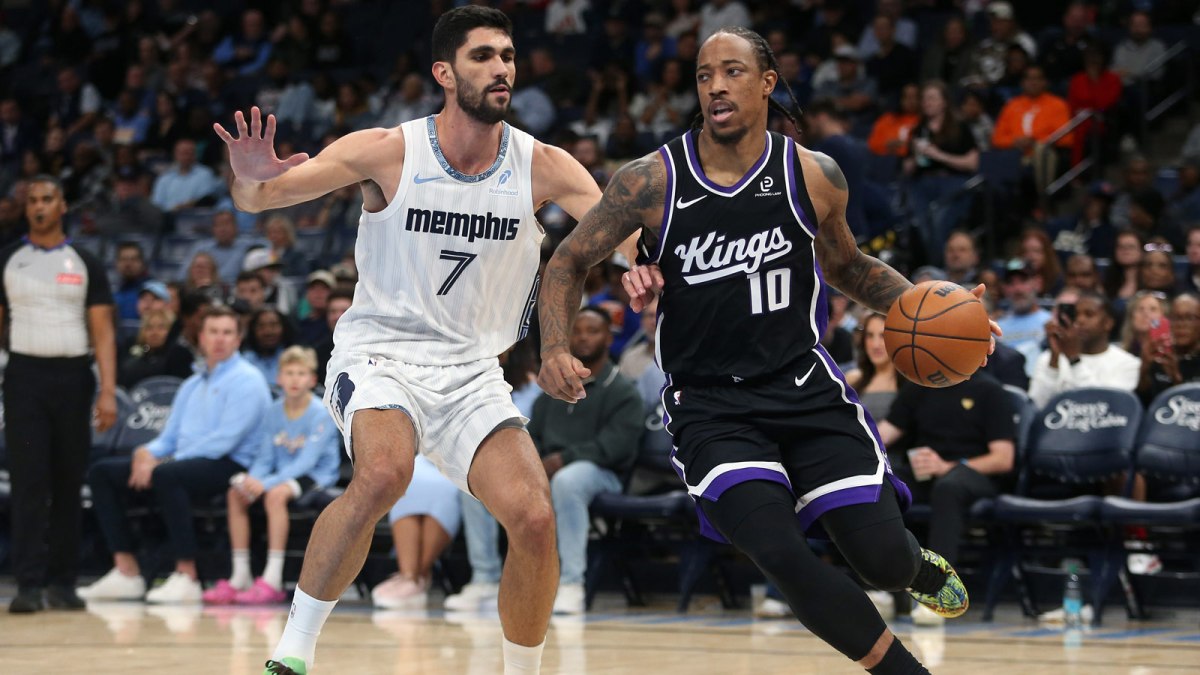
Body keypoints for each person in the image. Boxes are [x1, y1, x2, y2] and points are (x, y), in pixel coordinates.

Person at [537, 26, 998, 674]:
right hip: (710, 405)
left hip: (804, 388)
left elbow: (850, 268)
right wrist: (554, 345)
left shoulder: (813, 174)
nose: (715, 85)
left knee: (882, 560)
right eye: (703, 75)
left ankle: (914, 564)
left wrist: (948, 312)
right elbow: (567, 260)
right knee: (778, 551)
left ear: (766, 83)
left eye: (731, 71)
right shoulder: (651, 181)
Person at [213, 7, 639, 674]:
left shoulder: (543, 166)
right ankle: (293, 652)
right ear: (444, 72)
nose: (502, 68)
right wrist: (246, 175)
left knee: (532, 517)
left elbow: (631, 235)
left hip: (472, 369)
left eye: (507, 55)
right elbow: (262, 197)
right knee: (384, 472)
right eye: (483, 56)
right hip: (380, 353)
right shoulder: (387, 150)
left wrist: (669, 247)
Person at [79, 306, 271, 604]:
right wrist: (145, 453)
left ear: (238, 338)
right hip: (185, 461)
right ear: (201, 337)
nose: (220, 339)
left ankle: (187, 574)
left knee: (168, 475)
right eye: (213, 332)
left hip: (231, 465)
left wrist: (163, 462)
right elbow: (169, 437)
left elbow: (223, 441)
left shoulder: (249, 380)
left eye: (227, 332)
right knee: (102, 472)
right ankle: (126, 571)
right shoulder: (191, 384)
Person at [0, 175, 117, 613]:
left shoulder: (84, 260)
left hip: (73, 379)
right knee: (29, 483)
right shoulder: (9, 259)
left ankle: (63, 582)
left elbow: (103, 333)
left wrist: (107, 392)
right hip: (24, 379)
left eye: (47, 199)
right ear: (25, 206)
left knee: (69, 482)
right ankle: (28, 585)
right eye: (32, 200)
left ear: (62, 205)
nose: (39, 207)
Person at [204, 346, 342, 605]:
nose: (294, 379)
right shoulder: (273, 411)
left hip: (316, 476)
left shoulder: (320, 413)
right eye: (289, 373)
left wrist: (264, 485)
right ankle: (240, 575)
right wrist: (251, 481)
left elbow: (306, 462)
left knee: (275, 497)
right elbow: (265, 457)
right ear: (278, 378)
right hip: (280, 473)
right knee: (236, 494)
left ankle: (272, 578)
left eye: (301, 373)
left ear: (312, 380)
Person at [528, 306, 642, 614]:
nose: (583, 338)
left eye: (592, 331)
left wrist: (564, 459)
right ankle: (485, 579)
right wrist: (536, 462)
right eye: (576, 331)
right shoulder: (552, 390)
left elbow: (616, 447)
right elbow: (530, 434)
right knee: (485, 482)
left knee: (569, 480)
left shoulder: (622, 390)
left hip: (604, 475)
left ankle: (571, 583)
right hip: (550, 467)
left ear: (608, 338)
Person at [877, 373, 1015, 624]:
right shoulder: (918, 387)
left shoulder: (990, 391)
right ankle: (882, 585)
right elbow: (882, 435)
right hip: (925, 474)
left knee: (948, 487)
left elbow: (1003, 459)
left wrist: (949, 466)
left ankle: (936, 591)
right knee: (881, 484)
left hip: (974, 474)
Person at [370, 454, 462, 609]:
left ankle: (418, 575)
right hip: (424, 456)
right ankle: (409, 576)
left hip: (460, 462)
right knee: (408, 481)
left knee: (444, 489)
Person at [1029, 291, 1141, 408]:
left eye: (1089, 314)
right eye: (1076, 315)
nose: (1080, 320)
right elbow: (1035, 406)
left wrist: (1074, 360)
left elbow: (1103, 407)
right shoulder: (1048, 358)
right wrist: (1053, 363)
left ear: (1108, 323)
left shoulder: (1129, 364)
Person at [1137, 292, 1200, 404]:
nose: (1181, 324)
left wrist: (1176, 380)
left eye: (1190, 318)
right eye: (1175, 318)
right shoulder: (1159, 357)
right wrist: (1144, 371)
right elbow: (1141, 407)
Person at [844, 314, 900, 423]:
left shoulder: (911, 383)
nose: (875, 345)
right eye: (869, 335)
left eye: (883, 336)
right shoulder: (852, 379)